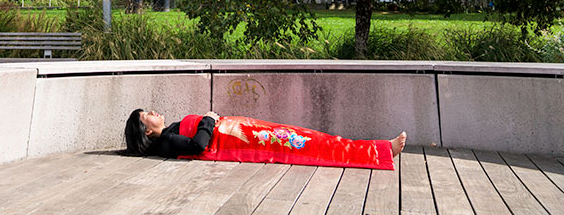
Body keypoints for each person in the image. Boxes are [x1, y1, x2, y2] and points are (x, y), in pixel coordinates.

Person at [124, 109, 406, 171]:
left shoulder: (170, 132)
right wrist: (209, 119)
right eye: (147, 115)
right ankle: (378, 151)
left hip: (246, 132)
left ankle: (377, 149)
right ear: (147, 131)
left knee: (309, 138)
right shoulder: (168, 141)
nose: (153, 112)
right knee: (310, 145)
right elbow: (198, 145)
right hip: (247, 140)